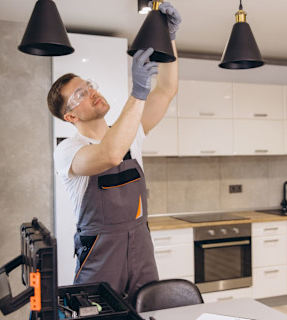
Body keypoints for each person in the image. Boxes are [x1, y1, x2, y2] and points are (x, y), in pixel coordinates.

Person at [46, 1, 181, 305]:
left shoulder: (130, 131)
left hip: (142, 251)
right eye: (80, 94)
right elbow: (110, 155)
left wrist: (167, 39)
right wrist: (139, 91)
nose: (92, 92)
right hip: (100, 260)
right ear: (70, 117)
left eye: (90, 86)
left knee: (148, 312)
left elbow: (167, 89)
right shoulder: (68, 151)